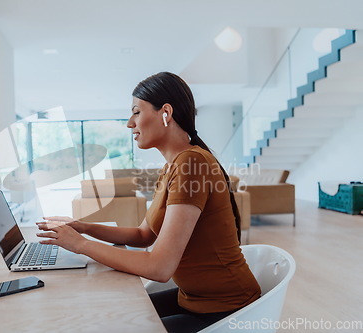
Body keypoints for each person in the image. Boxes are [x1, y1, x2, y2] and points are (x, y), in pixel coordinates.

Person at [37, 72, 261, 332]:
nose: (130, 123)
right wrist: (82, 227)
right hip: (194, 300)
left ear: (165, 112)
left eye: (136, 112)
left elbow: (160, 267)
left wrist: (81, 245)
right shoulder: (172, 166)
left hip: (228, 310)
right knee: (110, 315)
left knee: (116, 324)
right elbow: (144, 235)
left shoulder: (192, 162)